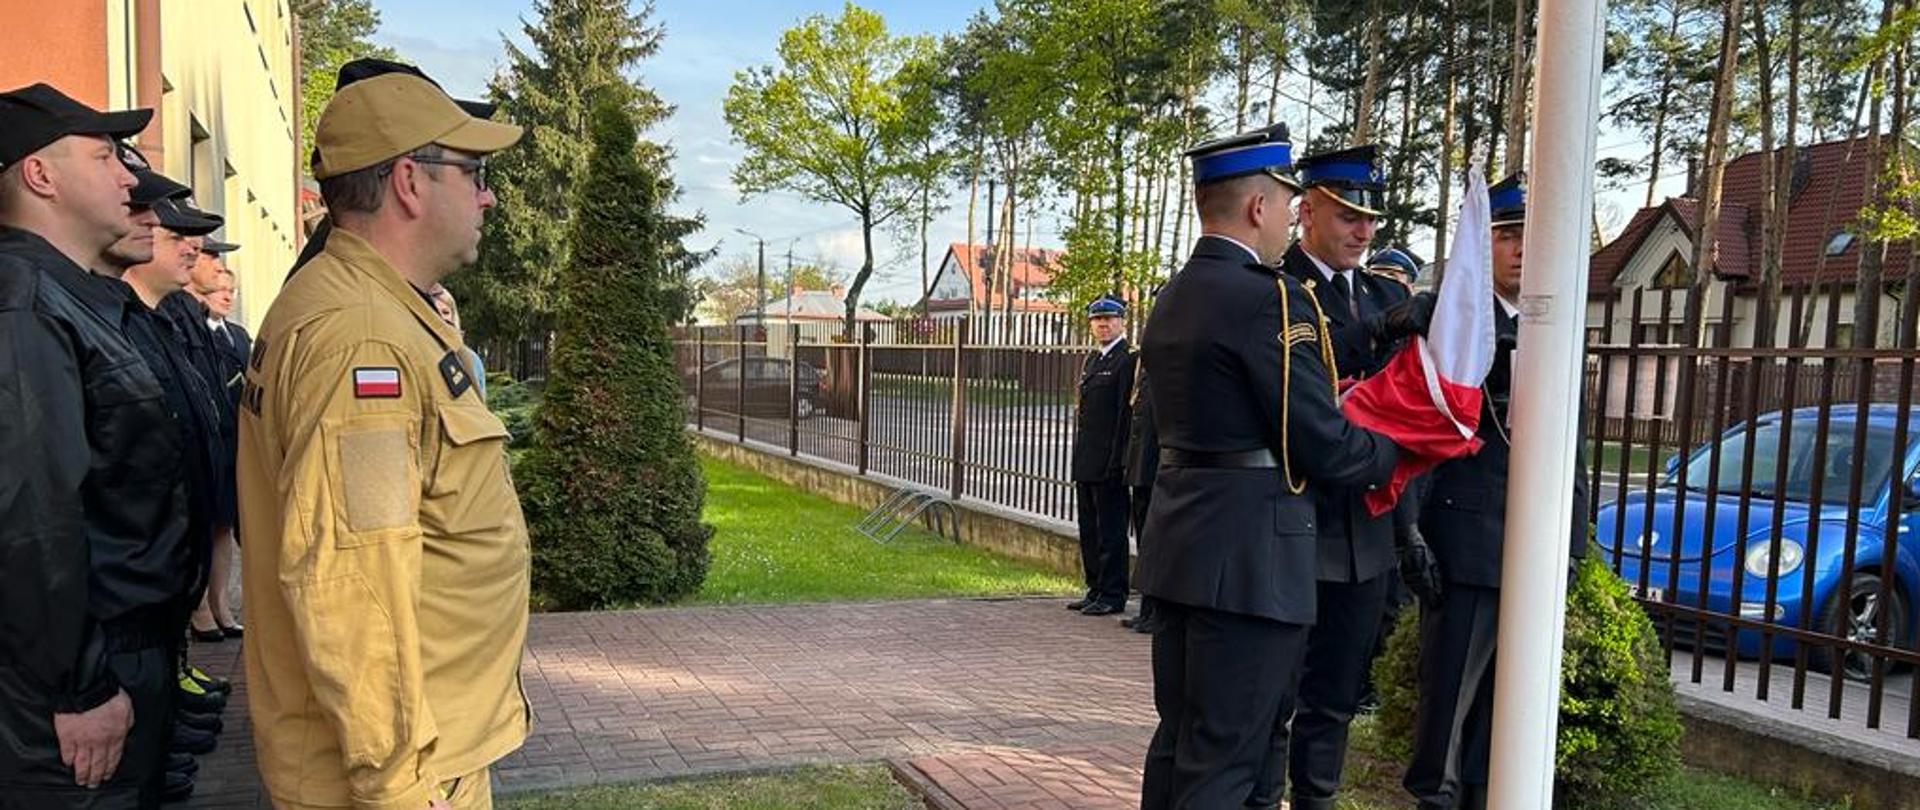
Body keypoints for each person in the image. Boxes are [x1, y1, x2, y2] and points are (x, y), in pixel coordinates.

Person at [236, 63, 529, 810]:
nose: (487, 193)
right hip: (406, 773)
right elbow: (350, 582)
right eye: (474, 170)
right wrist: (397, 783)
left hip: (423, 749)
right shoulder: (363, 339)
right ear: (409, 180)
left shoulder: (376, 309)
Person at [1135, 123, 1404, 810]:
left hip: (1183, 547)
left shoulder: (1172, 294)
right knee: (1227, 761)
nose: (1289, 217)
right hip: (1252, 562)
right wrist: (1395, 448)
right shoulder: (1270, 297)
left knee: (1181, 742)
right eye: (1287, 203)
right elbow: (1319, 439)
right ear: (1260, 208)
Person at [0, 82, 190, 810]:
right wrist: (81, 686)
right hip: (73, 686)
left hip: (117, 653)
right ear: (40, 175)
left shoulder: (70, 297)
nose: (129, 177)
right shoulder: (23, 303)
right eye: (107, 156)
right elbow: (31, 521)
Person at [1402, 173, 1588, 810]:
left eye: (1528, 238)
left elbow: (1573, 453)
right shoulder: (1457, 330)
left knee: (1507, 717)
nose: (1518, 250)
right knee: (1448, 711)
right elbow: (1420, 438)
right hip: (1466, 548)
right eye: (1507, 235)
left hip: (1531, 555)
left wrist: (1575, 546)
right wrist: (1411, 532)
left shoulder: (1555, 334)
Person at [1260, 144, 1433, 810]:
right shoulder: (1278, 286)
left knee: (1334, 696)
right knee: (1277, 696)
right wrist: (1375, 330)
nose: (1362, 231)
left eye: (1370, 219)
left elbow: (1413, 416)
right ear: (1308, 210)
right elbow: (1306, 385)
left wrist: (1408, 525)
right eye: (1347, 215)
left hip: (1366, 531)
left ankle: (1316, 801)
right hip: (1299, 522)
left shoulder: (1391, 290)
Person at [185, 238, 245, 644]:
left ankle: (220, 604)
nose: (226, 295)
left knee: (223, 524)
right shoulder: (188, 322)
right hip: (201, 441)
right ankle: (199, 608)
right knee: (201, 524)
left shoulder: (237, 336)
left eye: (231, 290)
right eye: (221, 287)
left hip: (232, 438)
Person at [1068, 295, 1135, 617]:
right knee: (1090, 528)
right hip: (1087, 460)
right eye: (1097, 320)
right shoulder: (1093, 360)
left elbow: (1125, 415)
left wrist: (1117, 461)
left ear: (1122, 322)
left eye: (1109, 319)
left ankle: (1113, 592)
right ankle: (1095, 587)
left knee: (1111, 530)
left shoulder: (1127, 360)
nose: (1103, 324)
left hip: (1109, 462)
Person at [1118, 358, 1158, 634]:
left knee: (1156, 545)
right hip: (1141, 466)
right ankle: (1147, 609)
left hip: (1157, 467)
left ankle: (1155, 611)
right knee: (1144, 540)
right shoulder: (1146, 363)